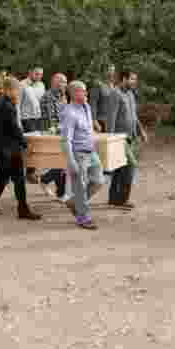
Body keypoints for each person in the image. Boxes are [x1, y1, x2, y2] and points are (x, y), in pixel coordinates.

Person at [0, 78, 41, 220]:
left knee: (12, 178)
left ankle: (20, 208)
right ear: (9, 90)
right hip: (6, 149)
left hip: (6, 148)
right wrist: (25, 144)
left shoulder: (4, 102)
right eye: (17, 90)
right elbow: (14, 129)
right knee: (11, 177)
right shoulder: (6, 105)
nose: (18, 93)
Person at [60, 81, 106, 230]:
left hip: (91, 151)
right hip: (78, 154)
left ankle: (74, 203)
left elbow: (88, 129)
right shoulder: (69, 113)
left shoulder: (86, 107)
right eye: (83, 91)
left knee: (99, 181)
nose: (86, 94)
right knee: (80, 187)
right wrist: (71, 160)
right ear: (73, 94)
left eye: (86, 91)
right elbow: (66, 139)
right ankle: (83, 217)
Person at [109, 70, 148, 209]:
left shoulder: (130, 94)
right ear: (124, 79)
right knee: (131, 166)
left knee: (120, 168)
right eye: (132, 79)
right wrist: (110, 138)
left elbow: (133, 115)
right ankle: (123, 199)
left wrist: (141, 130)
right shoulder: (115, 94)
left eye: (135, 79)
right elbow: (111, 118)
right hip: (119, 138)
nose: (134, 82)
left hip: (131, 137)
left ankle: (113, 198)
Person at [39, 73, 69, 201]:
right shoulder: (48, 97)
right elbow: (52, 120)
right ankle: (60, 193)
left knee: (62, 163)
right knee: (61, 163)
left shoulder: (62, 96)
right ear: (54, 83)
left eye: (65, 82)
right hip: (52, 133)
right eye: (62, 82)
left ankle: (47, 181)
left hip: (62, 131)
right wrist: (58, 131)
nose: (65, 84)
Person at [19, 67, 45, 183]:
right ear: (30, 73)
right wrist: (18, 121)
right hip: (26, 119)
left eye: (40, 74)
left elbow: (42, 102)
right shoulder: (22, 85)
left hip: (38, 119)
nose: (38, 76)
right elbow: (17, 103)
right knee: (29, 146)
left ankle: (31, 172)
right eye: (36, 74)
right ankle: (28, 173)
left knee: (36, 146)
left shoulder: (42, 85)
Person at [89, 65, 121, 134]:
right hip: (101, 121)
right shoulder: (98, 85)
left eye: (113, 71)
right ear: (104, 72)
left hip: (113, 122)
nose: (111, 73)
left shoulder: (116, 87)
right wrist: (94, 121)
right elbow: (93, 104)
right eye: (109, 70)